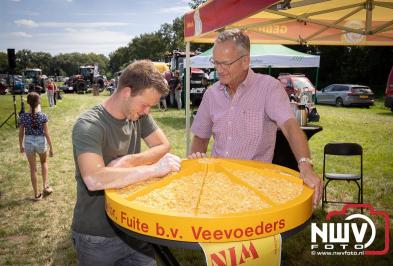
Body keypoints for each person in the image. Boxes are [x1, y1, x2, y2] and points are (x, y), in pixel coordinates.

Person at [189, 29, 323, 208]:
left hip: (255, 189)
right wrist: (195, 173)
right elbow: (201, 137)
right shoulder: (211, 94)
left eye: (226, 63)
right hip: (217, 184)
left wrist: (305, 166)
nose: (219, 70)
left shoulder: (269, 88)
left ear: (245, 61)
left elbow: (290, 127)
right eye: (216, 62)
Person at [71, 60, 181, 266]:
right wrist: (154, 170)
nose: (147, 111)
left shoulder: (138, 115)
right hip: (97, 235)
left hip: (136, 227)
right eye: (145, 104)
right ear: (126, 92)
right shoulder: (89, 125)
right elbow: (95, 179)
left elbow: (163, 145)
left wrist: (130, 160)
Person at [18, 92, 54, 201]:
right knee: (44, 162)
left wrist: (21, 145)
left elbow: (20, 133)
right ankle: (46, 187)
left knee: (32, 169)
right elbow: (47, 133)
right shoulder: (43, 116)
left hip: (28, 141)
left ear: (28, 102)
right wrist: (51, 147)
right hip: (40, 141)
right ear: (39, 102)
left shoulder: (23, 116)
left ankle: (36, 195)